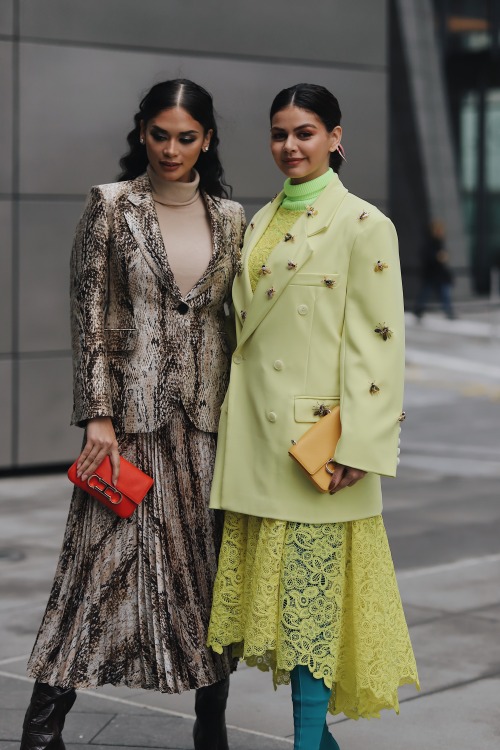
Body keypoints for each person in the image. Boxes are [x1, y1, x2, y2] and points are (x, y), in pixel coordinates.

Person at [20, 79, 245, 750]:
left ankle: (212, 725)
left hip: (207, 424)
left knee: (208, 574)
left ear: (206, 139)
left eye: (185, 137)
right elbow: (87, 314)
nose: (171, 149)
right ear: (140, 131)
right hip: (126, 426)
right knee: (93, 570)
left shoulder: (232, 219)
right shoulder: (111, 208)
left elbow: (239, 325)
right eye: (159, 134)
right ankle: (40, 730)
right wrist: (97, 414)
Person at [206, 83, 419, 750]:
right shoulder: (256, 219)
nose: (290, 145)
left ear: (335, 137)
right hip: (253, 444)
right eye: (279, 133)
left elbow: (380, 343)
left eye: (304, 132)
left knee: (311, 616)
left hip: (316, 448)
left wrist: (361, 441)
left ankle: (306, 743)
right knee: (283, 618)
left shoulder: (363, 224)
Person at [414, 219, 455, 319]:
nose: (441, 232)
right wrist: (437, 257)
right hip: (431, 274)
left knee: (444, 293)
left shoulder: (439, 242)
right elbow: (426, 256)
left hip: (439, 274)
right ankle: (419, 310)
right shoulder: (429, 242)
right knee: (426, 293)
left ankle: (448, 311)